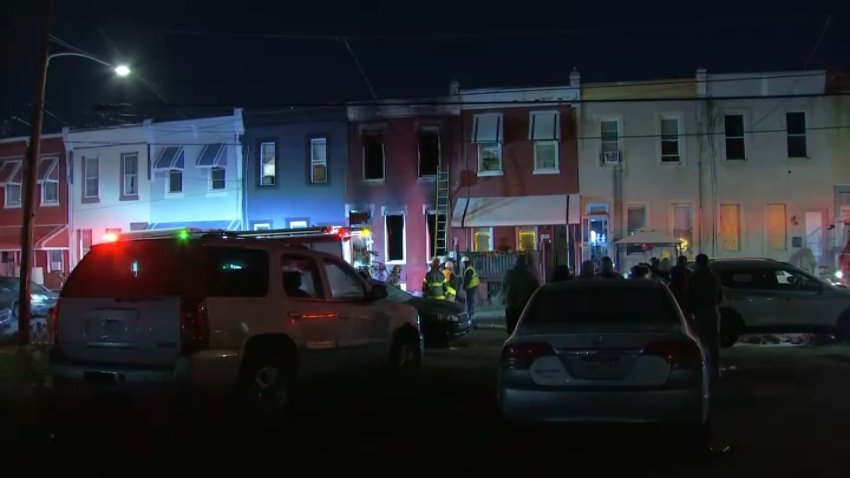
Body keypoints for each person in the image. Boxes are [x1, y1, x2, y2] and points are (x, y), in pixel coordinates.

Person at [686, 253, 723, 380]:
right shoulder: (714, 276)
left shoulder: (694, 277)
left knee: (700, 341)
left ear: (698, 263)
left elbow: (689, 294)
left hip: (699, 310)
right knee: (713, 341)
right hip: (712, 309)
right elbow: (719, 295)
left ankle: (703, 369)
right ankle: (715, 370)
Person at [501, 255, 540, 334]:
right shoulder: (530, 275)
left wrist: (504, 299)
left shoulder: (509, 274)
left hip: (511, 306)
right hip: (524, 307)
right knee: (523, 331)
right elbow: (536, 289)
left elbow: (503, 288)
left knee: (511, 330)